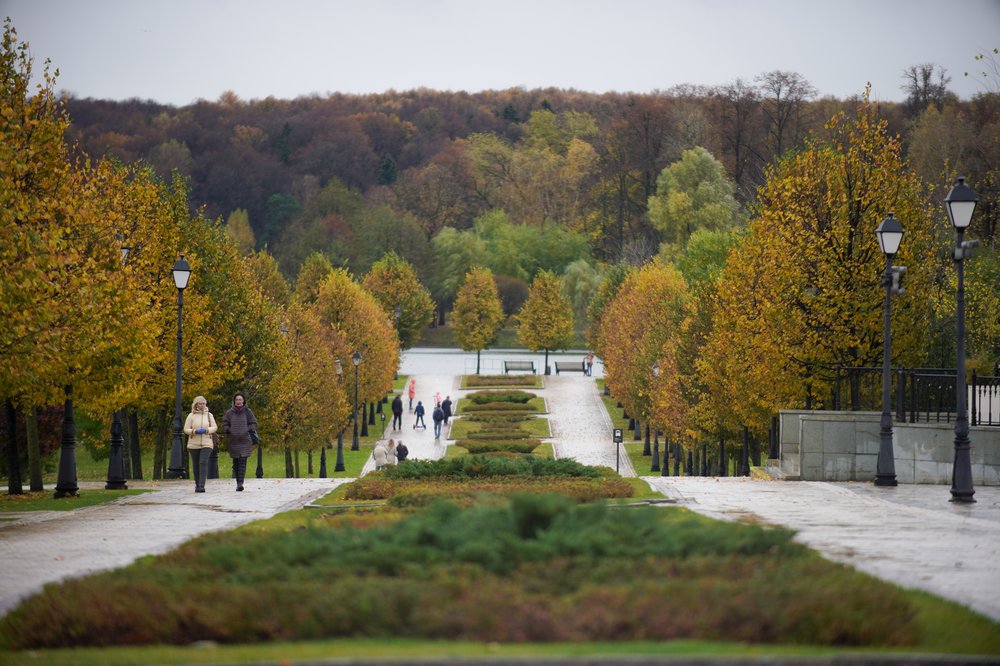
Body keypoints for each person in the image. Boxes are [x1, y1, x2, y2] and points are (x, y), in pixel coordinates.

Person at [222, 392, 258, 492]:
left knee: (243, 461)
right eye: (237, 400)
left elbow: (254, 423)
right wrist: (229, 430)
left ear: (243, 401)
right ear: (234, 401)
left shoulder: (248, 412)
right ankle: (238, 481)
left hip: (245, 440)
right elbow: (224, 424)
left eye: (240, 400)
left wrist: (247, 429)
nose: (238, 401)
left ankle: (240, 483)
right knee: (236, 462)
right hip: (233, 441)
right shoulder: (229, 413)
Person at [183, 396, 217, 493]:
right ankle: (197, 484)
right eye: (199, 403)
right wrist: (194, 431)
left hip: (207, 443)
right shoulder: (191, 416)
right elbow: (186, 429)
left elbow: (214, 427)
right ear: (196, 404)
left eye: (203, 404)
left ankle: (202, 485)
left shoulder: (209, 415)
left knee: (203, 462)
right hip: (194, 444)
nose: (202, 405)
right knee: (196, 464)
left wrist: (207, 430)